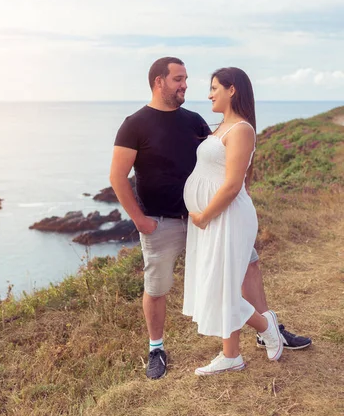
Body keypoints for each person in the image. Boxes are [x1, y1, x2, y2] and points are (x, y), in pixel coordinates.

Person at [110, 57, 311, 380]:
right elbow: (118, 176)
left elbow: (232, 163)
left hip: (212, 218)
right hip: (165, 220)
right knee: (159, 286)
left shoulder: (195, 121)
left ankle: (267, 329)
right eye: (178, 79)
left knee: (245, 268)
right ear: (159, 82)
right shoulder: (135, 123)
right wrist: (140, 221)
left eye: (187, 79)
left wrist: (233, 199)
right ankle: (157, 348)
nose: (186, 85)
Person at [184, 67, 281, 374]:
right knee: (220, 284)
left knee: (222, 287)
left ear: (232, 90)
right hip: (215, 216)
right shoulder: (222, 127)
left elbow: (233, 184)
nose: (210, 94)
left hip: (225, 216)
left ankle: (266, 326)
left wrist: (204, 215)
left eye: (214, 88)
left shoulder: (241, 129)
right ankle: (231, 355)